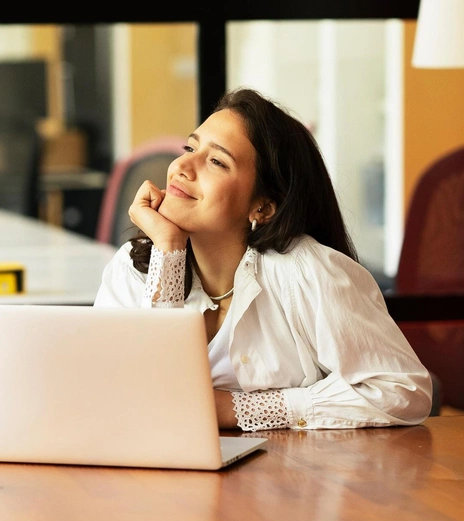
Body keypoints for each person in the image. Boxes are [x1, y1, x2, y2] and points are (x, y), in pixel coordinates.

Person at [94, 87, 433, 432]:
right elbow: (134, 398)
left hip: (294, 477)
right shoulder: (133, 269)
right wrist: (168, 247)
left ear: (263, 207)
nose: (182, 166)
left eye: (216, 161)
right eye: (190, 148)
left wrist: (237, 409)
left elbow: (403, 390)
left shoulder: (307, 272)